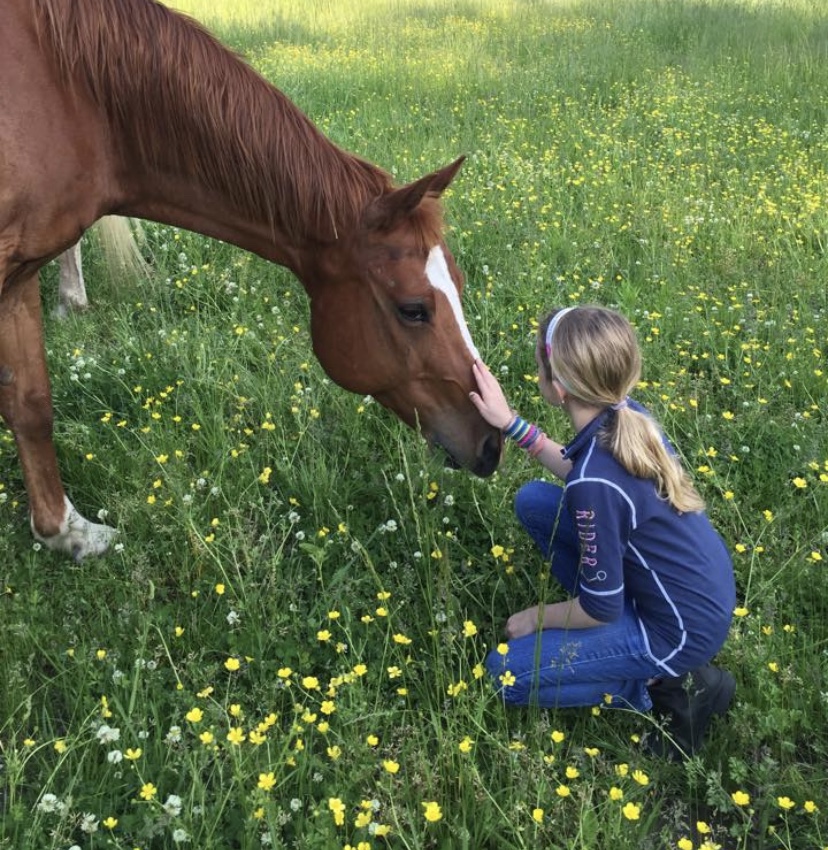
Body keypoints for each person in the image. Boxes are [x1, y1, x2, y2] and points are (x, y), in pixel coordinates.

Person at [469, 304, 736, 758]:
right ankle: (628, 644)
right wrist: (510, 423)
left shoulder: (596, 482)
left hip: (674, 632)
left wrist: (536, 617)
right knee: (534, 501)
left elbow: (598, 607)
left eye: (539, 365)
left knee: (505, 674)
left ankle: (663, 686)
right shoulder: (627, 414)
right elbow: (582, 473)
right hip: (698, 596)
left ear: (557, 388)